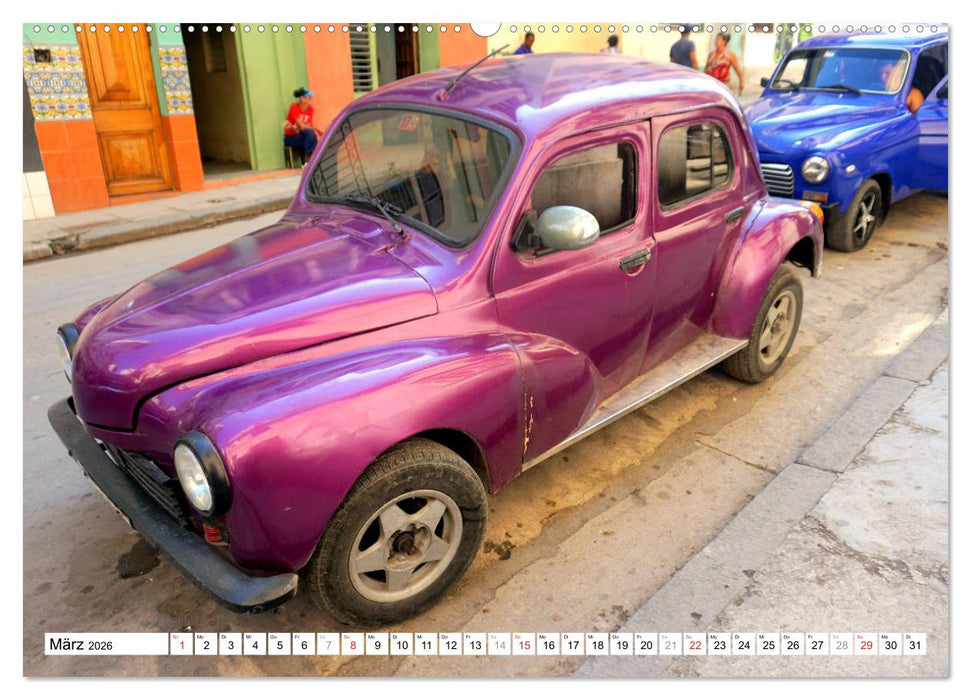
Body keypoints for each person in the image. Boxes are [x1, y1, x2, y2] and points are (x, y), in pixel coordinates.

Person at [283, 87, 320, 166]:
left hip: (303, 136)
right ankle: (308, 159)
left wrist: (306, 127)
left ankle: (310, 159)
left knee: (312, 135)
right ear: (302, 99)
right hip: (291, 137)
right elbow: (303, 126)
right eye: (309, 97)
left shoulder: (310, 109)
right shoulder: (294, 107)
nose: (311, 98)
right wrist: (317, 129)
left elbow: (308, 125)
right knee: (309, 133)